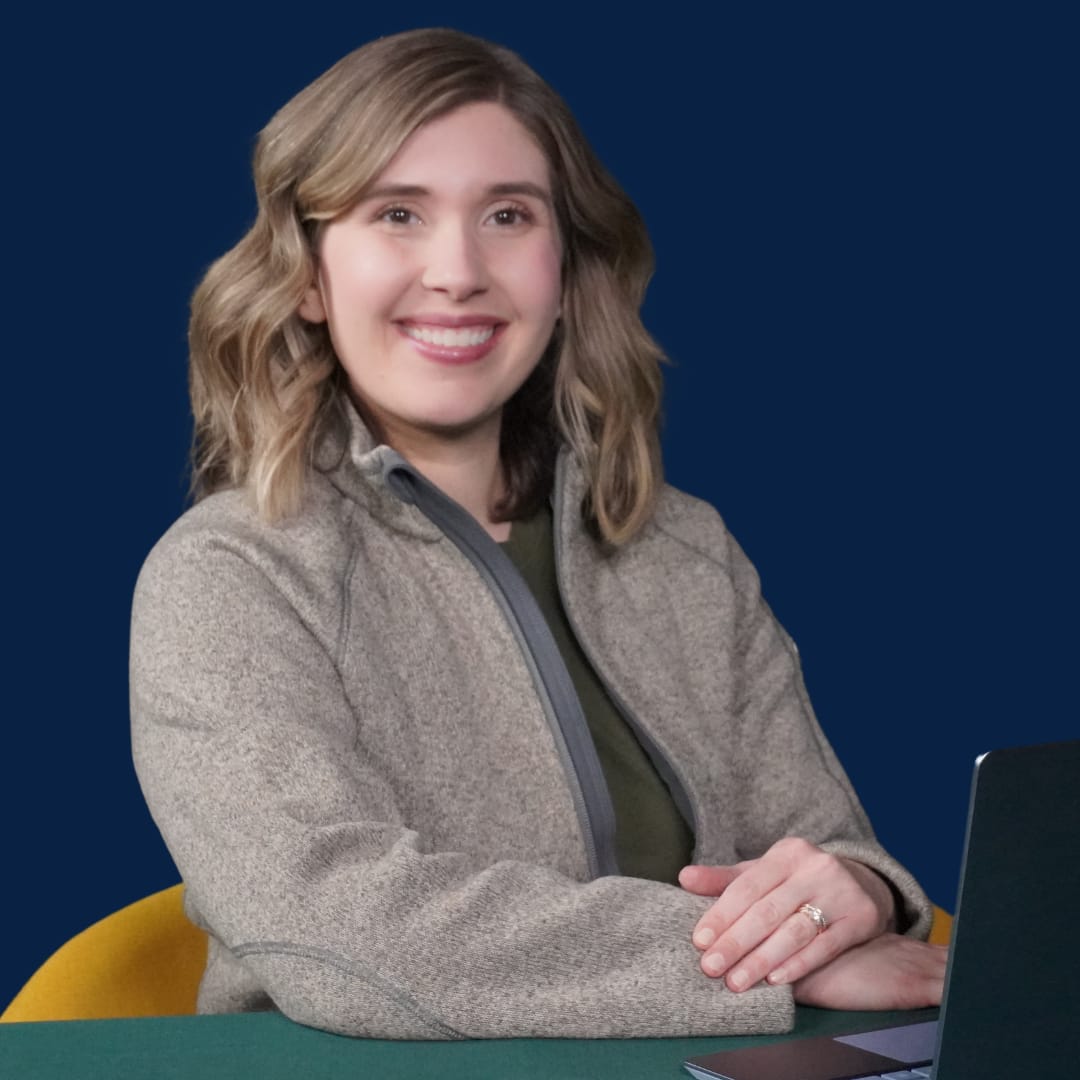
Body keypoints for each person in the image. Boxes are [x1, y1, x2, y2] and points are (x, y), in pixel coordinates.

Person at [130, 27, 946, 1040]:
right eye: (397, 215)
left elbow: (819, 844)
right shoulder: (230, 577)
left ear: (564, 271)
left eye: (508, 215)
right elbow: (336, 933)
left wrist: (860, 890)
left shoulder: (682, 552)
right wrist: (760, 969)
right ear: (307, 275)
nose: (459, 272)